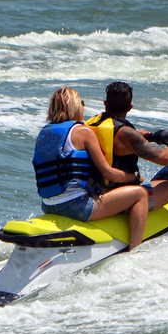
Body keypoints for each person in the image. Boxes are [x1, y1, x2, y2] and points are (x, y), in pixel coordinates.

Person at [33, 87, 149, 250]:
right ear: (76, 107)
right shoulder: (83, 132)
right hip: (76, 206)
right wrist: (135, 178)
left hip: (48, 204)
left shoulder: (44, 133)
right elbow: (109, 173)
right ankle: (136, 250)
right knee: (140, 194)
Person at [85, 81, 168, 233]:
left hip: (96, 192)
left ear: (105, 104)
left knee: (145, 179)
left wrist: (138, 138)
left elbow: (114, 143)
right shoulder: (127, 134)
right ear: (130, 107)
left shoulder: (92, 125)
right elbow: (164, 158)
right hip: (119, 198)